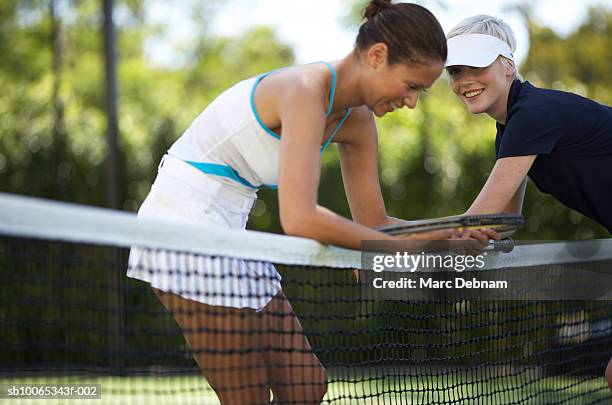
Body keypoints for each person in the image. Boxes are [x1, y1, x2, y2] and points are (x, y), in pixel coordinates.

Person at [128, 1, 457, 404]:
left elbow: (374, 224)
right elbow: (299, 219)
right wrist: (391, 249)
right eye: (411, 86)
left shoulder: (356, 121)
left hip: (231, 223)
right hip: (182, 219)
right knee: (247, 398)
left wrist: (451, 233)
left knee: (306, 387)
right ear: (377, 56)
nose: (412, 102)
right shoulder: (304, 90)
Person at [443, 14, 612, 391]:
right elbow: (501, 224)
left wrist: (385, 249)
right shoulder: (510, 132)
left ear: (508, 65)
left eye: (477, 65)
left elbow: (473, 223)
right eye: (455, 70)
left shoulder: (534, 114)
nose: (463, 79)